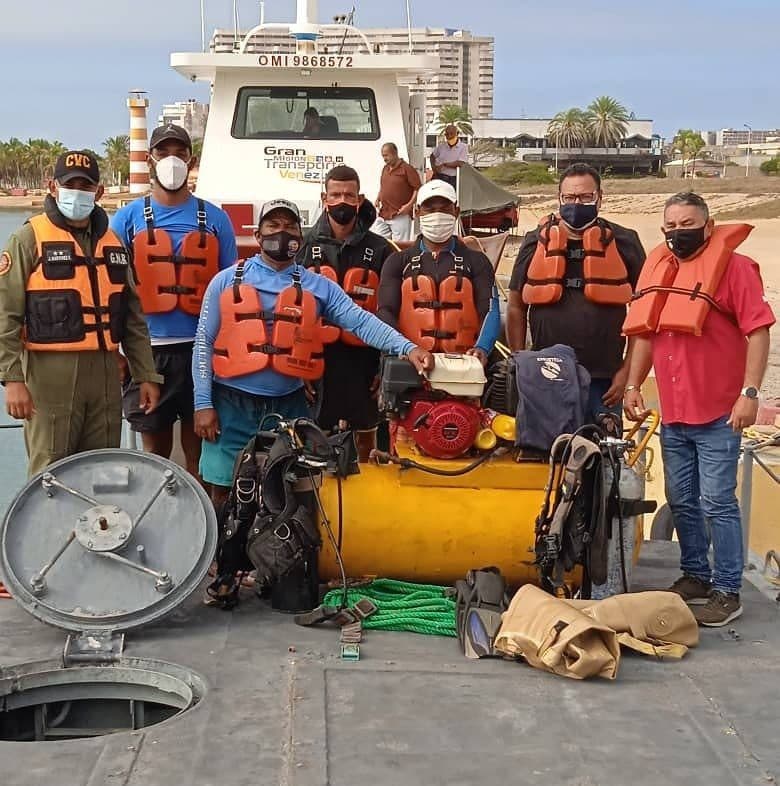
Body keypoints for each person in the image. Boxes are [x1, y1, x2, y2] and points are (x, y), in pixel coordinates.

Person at [193, 198, 434, 508]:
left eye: (290, 226)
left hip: (288, 405)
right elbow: (203, 342)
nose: (282, 233)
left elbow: (361, 322)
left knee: (292, 492)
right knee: (224, 491)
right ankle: (222, 541)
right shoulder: (225, 281)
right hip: (231, 405)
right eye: (273, 225)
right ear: (257, 235)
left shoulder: (318, 287)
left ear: (300, 235)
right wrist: (203, 403)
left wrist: (407, 348)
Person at [623, 192, 775, 627]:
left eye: (687, 224)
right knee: (681, 500)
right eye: (671, 226)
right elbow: (646, 334)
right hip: (674, 412)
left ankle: (727, 591)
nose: (678, 233)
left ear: (708, 226)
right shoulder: (660, 269)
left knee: (717, 502)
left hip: (719, 412)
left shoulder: (736, 268)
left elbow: (759, 331)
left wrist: (750, 393)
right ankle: (695, 575)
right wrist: (633, 384)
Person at [0, 150, 161, 477]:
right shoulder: (28, 238)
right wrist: (12, 379)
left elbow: (133, 319)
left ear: (98, 192)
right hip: (49, 375)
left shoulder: (114, 243)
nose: (77, 192)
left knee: (103, 469)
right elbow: (6, 314)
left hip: (106, 373)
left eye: (85, 186)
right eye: (69, 184)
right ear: (52, 187)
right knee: (50, 471)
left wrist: (146, 375)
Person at [111, 124, 237, 478]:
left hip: (201, 349)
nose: (172, 160)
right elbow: (110, 287)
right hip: (147, 352)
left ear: (191, 161)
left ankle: (202, 509)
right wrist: (115, 350)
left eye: (179, 153)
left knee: (200, 451)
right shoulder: (127, 219)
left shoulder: (216, 219)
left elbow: (231, 288)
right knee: (155, 452)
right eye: (163, 152)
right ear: (149, 159)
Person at [506, 163, 646, 425]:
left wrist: (627, 374)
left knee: (602, 447)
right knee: (547, 447)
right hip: (547, 374)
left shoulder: (625, 241)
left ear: (599, 198)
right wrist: (519, 362)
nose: (576, 204)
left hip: (605, 380)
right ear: (559, 198)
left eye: (585, 197)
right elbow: (515, 306)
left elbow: (643, 316)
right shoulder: (535, 241)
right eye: (569, 197)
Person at [298, 165, 395, 460]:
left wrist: (385, 365)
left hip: (363, 359)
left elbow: (390, 312)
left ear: (360, 199)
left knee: (366, 439)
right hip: (317, 359)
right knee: (313, 442)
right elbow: (289, 309)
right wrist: (296, 367)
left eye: (349, 195)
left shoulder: (382, 250)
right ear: (324, 198)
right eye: (336, 194)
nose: (342, 201)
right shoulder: (303, 246)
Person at [377, 179, 499, 367]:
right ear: (417, 212)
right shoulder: (397, 262)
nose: (437, 214)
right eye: (430, 208)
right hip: (408, 363)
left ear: (456, 211)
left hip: (465, 363)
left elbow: (490, 310)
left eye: (444, 208)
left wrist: (482, 348)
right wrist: (403, 348)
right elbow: (385, 311)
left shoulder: (477, 261)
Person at [373, 143, 421, 242]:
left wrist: (408, 206)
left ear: (395, 153)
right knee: (380, 242)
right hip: (384, 213)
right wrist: (378, 198)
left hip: (400, 214)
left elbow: (418, 188)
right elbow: (383, 186)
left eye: (386, 155)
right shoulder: (385, 168)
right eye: (383, 156)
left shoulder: (407, 169)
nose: (384, 158)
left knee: (400, 245)